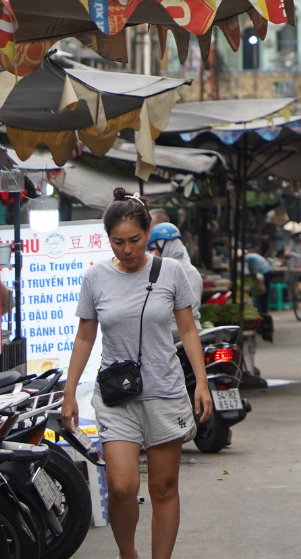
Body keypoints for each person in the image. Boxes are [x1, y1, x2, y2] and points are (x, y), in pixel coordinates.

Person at [61, 192, 212, 559]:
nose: (127, 249)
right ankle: (127, 553)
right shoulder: (96, 277)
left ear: (148, 234)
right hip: (117, 395)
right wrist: (69, 392)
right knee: (122, 486)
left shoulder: (171, 272)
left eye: (135, 240)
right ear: (107, 239)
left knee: (163, 487)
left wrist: (202, 382)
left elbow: (188, 330)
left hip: (165, 391)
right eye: (118, 242)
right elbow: (85, 336)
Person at [148, 224, 203, 329]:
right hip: (195, 328)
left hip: (173, 330)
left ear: (164, 246)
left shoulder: (164, 269)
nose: (153, 253)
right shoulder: (193, 270)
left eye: (153, 249)